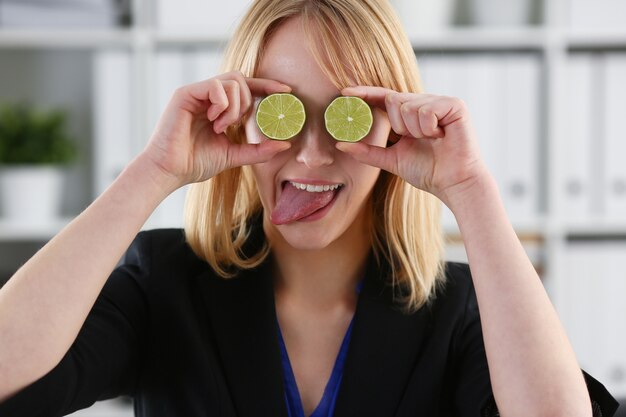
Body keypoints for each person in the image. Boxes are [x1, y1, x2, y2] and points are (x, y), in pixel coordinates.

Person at [0, 0, 619, 416]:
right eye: (284, 111)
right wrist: (152, 172)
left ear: (392, 125)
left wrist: (471, 188)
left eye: (348, 116)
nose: (313, 154)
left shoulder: (458, 308)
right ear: (240, 117)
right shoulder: (165, 282)